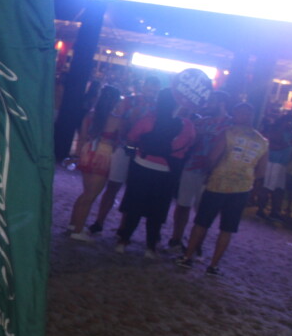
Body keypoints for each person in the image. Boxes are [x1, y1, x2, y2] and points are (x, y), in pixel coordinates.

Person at [176, 103, 268, 276]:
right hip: (241, 188)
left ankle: (187, 257)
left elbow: (212, 158)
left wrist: (208, 172)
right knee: (227, 229)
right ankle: (213, 265)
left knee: (202, 223)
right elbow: (261, 171)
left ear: (238, 115)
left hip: (218, 183)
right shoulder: (262, 141)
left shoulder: (228, 133)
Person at [115, 88, 195, 257]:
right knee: (157, 211)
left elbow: (132, 138)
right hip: (166, 171)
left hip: (141, 165)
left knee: (134, 207)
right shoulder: (186, 125)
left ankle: (123, 241)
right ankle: (150, 247)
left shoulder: (149, 119)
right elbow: (187, 146)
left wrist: (133, 153)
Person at [87, 76, 160, 234]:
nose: (152, 91)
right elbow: (116, 123)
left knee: (134, 191)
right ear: (144, 86)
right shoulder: (128, 101)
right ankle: (99, 221)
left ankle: (123, 227)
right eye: (150, 86)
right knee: (113, 185)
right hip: (123, 146)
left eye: (155, 88)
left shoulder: (159, 107)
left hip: (142, 151)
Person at [168, 90, 232, 252]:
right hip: (191, 167)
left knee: (204, 211)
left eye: (212, 101)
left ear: (222, 103)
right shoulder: (200, 122)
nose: (207, 104)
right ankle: (176, 239)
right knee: (183, 204)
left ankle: (196, 244)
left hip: (213, 173)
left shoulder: (231, 126)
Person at [68, 84, 122, 241]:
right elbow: (120, 140)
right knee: (91, 196)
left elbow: (82, 137)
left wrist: (78, 155)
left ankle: (73, 223)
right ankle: (78, 230)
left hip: (88, 151)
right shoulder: (116, 119)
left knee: (85, 193)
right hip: (103, 155)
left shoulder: (90, 115)